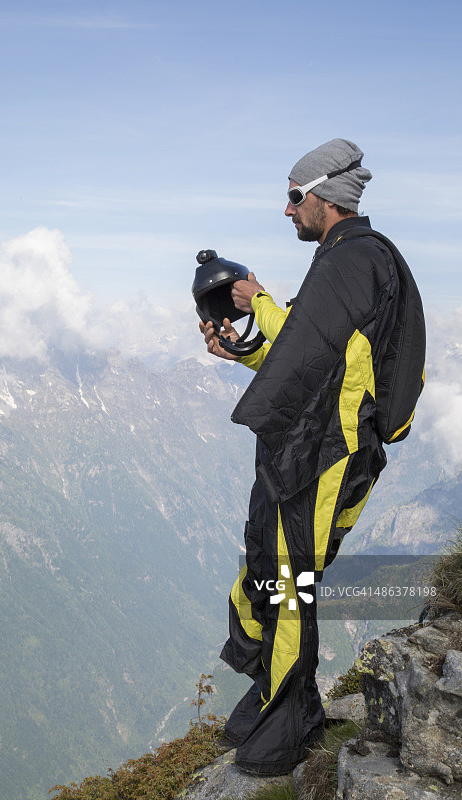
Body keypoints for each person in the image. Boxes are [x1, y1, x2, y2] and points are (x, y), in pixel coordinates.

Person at [199, 138, 425, 775]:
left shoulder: (354, 261)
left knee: (292, 580)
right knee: (275, 572)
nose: (289, 211)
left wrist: (257, 304)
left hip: (329, 455)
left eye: (294, 198)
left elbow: (318, 346)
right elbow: (314, 365)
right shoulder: (346, 260)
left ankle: (290, 723)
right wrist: (242, 351)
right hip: (316, 448)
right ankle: (274, 693)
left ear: (324, 197)